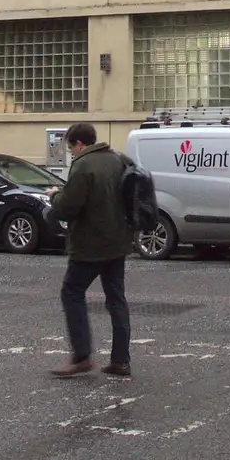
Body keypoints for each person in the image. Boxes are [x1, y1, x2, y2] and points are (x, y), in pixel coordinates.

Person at [49, 122, 134, 379]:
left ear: (79, 144)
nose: (71, 153)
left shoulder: (83, 165)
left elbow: (68, 207)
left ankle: (82, 355)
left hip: (90, 245)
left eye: (71, 148)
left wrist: (54, 196)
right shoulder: (117, 160)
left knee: (71, 292)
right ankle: (120, 360)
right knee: (116, 299)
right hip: (118, 242)